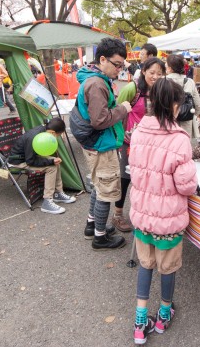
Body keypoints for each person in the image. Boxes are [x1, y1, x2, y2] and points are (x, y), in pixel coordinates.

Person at [128, 78, 199, 345]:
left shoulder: (138, 132)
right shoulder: (179, 139)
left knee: (146, 265)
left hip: (142, 215)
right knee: (167, 267)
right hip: (168, 219)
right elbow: (187, 185)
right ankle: (164, 315)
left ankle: (139, 322)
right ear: (175, 105)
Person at [76, 38, 132, 250]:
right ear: (102, 59)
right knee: (106, 191)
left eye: (122, 66)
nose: (120, 70)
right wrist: (123, 109)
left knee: (99, 186)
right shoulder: (97, 83)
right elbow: (99, 121)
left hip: (94, 143)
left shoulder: (93, 78)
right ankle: (100, 237)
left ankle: (92, 225)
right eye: (117, 64)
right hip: (101, 144)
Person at [114, 57, 166, 233]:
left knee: (146, 180)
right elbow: (117, 112)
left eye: (159, 73)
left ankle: (143, 212)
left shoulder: (161, 91)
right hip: (129, 142)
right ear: (143, 71)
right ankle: (118, 214)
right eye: (152, 72)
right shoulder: (132, 89)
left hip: (152, 144)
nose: (155, 76)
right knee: (125, 177)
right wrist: (119, 139)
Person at [9, 117, 76, 214]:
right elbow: (30, 161)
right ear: (53, 133)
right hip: (18, 161)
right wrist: (50, 162)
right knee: (51, 167)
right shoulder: (33, 137)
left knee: (55, 161)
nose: (57, 138)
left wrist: (52, 160)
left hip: (28, 157)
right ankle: (47, 202)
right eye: (59, 135)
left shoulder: (44, 131)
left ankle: (58, 193)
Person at [165, 54, 200, 138]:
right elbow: (197, 103)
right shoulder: (190, 81)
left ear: (170, 68)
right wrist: (195, 114)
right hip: (187, 119)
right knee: (185, 142)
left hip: (169, 119)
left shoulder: (164, 81)